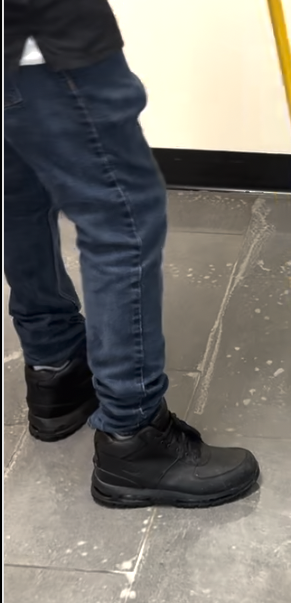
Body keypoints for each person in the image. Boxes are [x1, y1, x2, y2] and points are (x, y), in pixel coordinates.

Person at [4, 0, 259, 508]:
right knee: (123, 219)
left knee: (21, 196)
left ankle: (58, 371)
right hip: (44, 38)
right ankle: (134, 437)